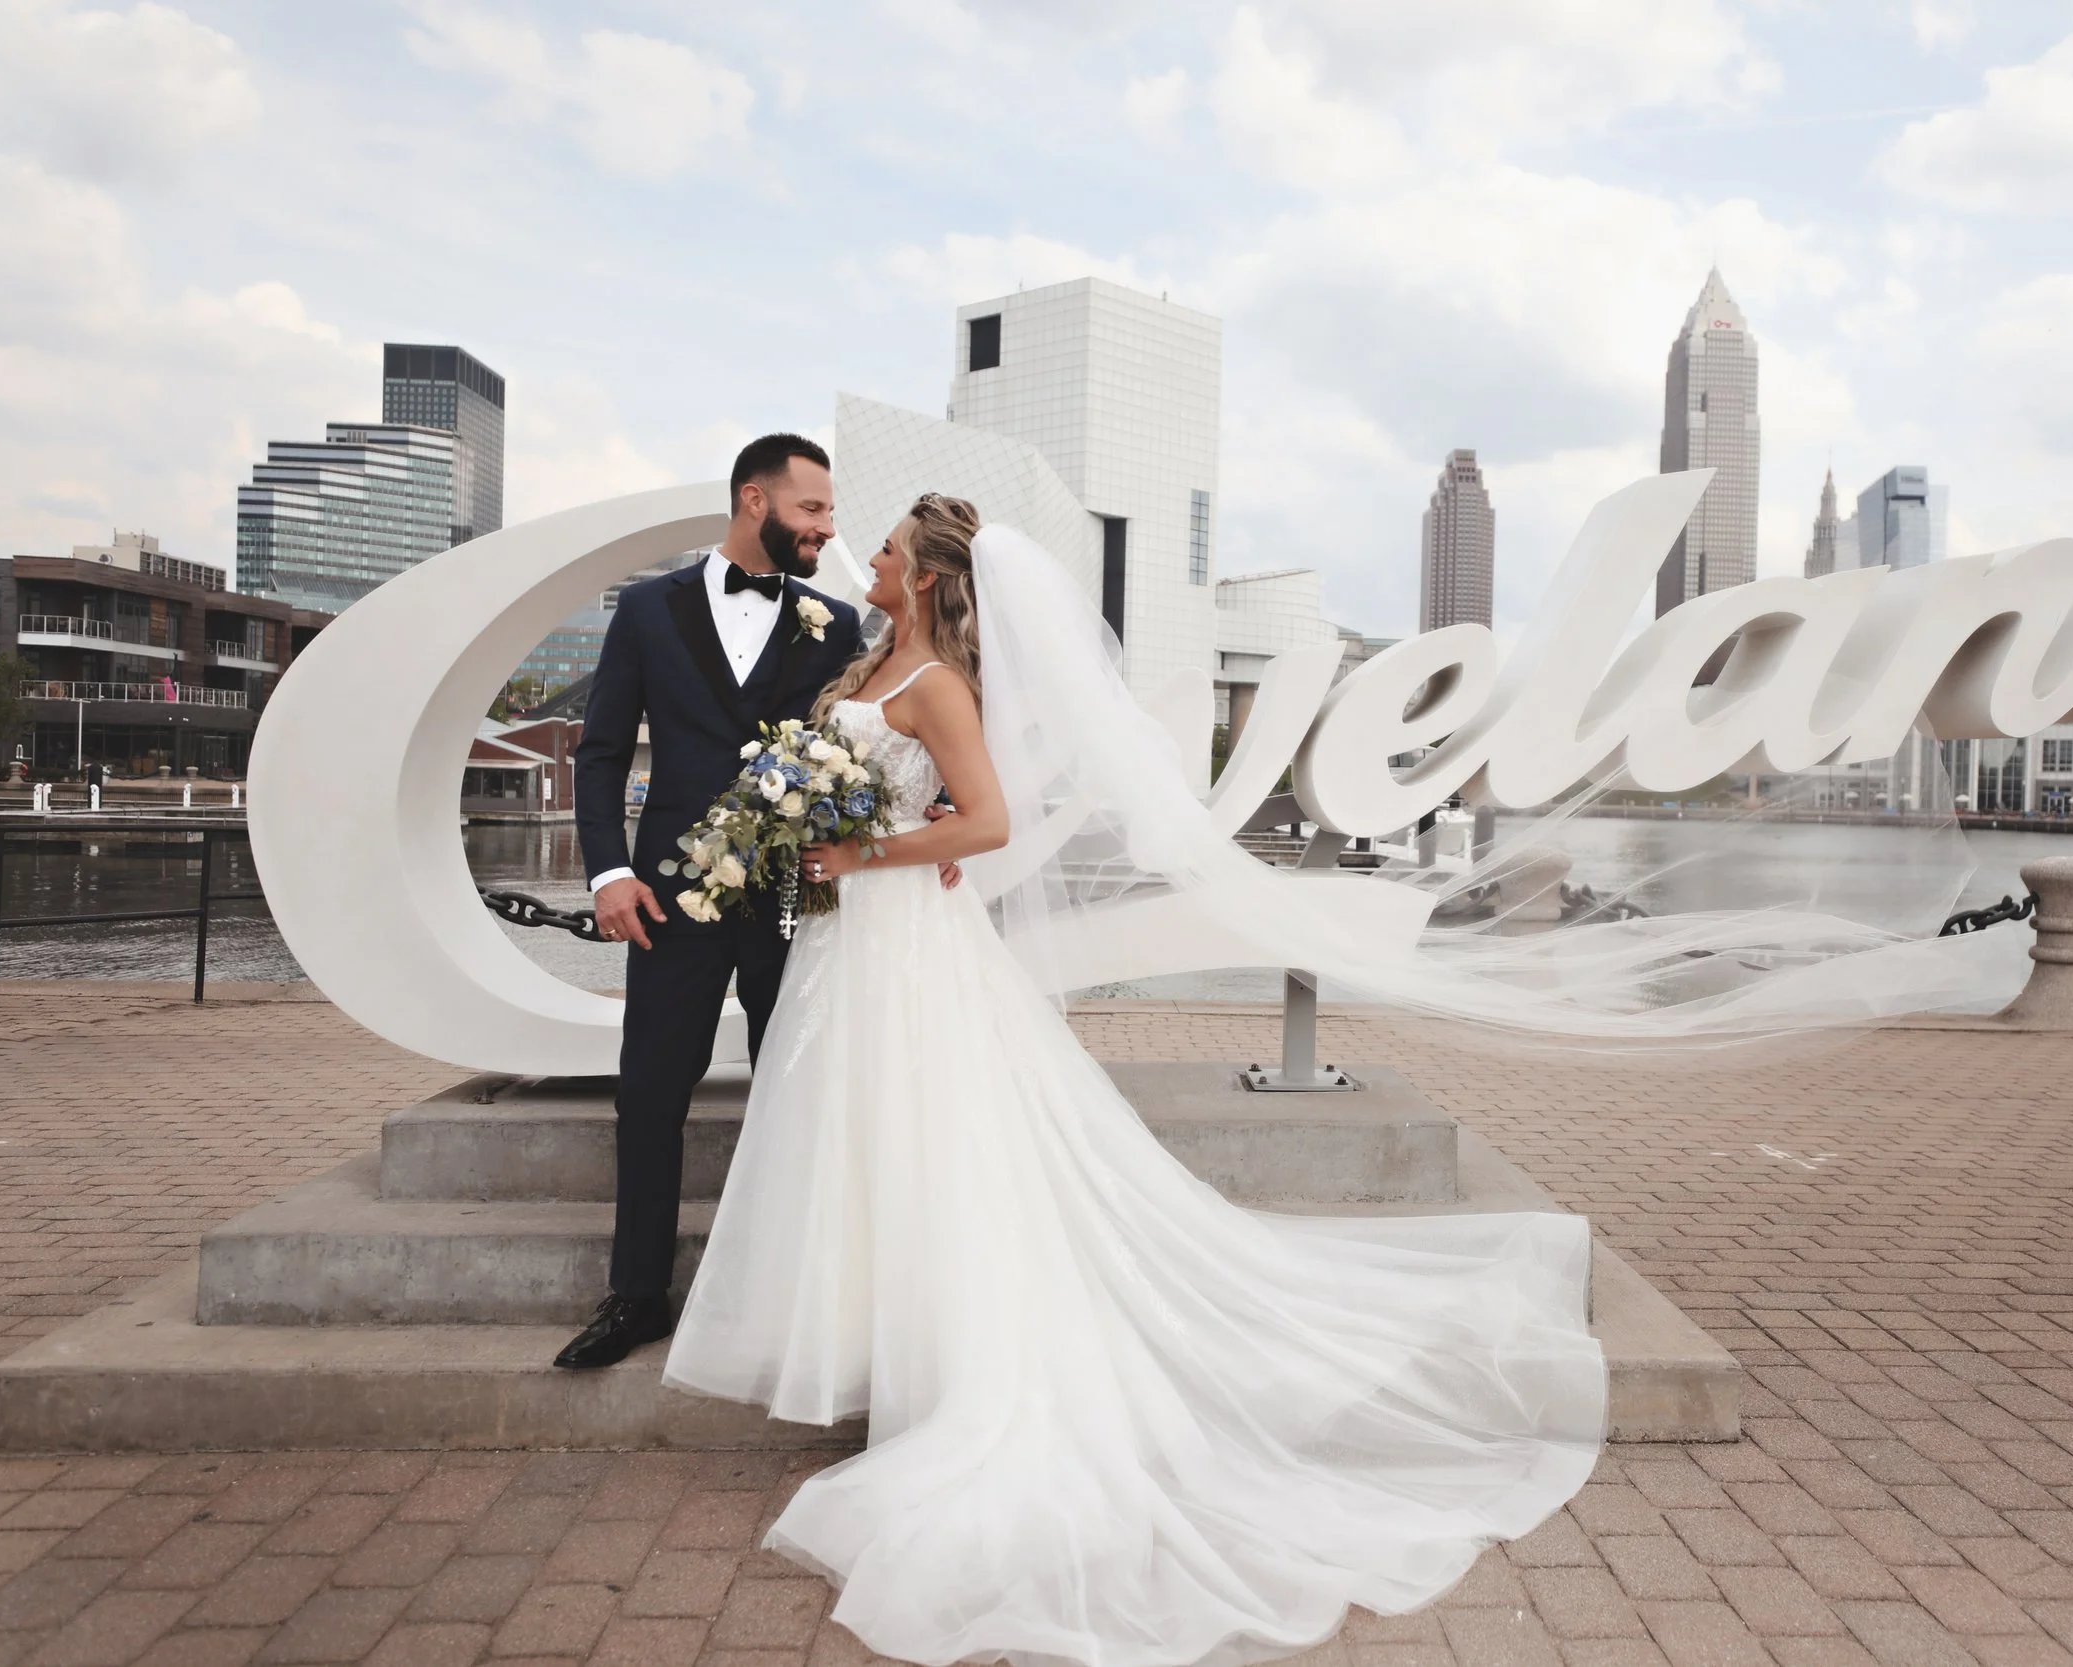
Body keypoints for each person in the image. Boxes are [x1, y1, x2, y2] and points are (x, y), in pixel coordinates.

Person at [665, 496, 1607, 1666]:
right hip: (850, 943)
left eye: (897, 543)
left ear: (929, 573)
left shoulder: (939, 687)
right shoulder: (874, 658)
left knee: (932, 1139)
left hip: (902, 941)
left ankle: (956, 1377)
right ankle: (892, 1353)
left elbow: (988, 821)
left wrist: (852, 850)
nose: (879, 551)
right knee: (867, 1141)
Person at [556, 435, 868, 1370]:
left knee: (796, 1093)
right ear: (753, 501)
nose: (825, 527)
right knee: (649, 1091)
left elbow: (871, 736)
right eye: (811, 510)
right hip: (670, 898)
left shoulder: (836, 622)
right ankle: (636, 1293)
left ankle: (788, 1299)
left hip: (793, 897)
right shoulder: (647, 611)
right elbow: (603, 751)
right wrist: (610, 873)